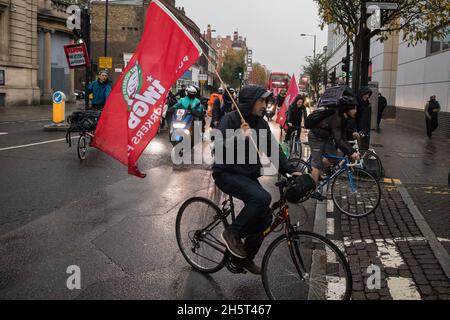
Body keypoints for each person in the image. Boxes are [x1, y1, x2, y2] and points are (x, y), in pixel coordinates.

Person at [212, 85, 303, 274]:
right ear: (249, 102)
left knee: (264, 219)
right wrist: (239, 136)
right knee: (261, 198)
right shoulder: (229, 119)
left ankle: (244, 259)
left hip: (247, 174)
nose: (264, 105)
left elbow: (272, 148)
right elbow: (217, 149)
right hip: (226, 173)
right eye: (261, 101)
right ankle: (232, 233)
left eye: (265, 101)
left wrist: (290, 169)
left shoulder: (261, 124)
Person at [308, 95, 361, 199]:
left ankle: (315, 170)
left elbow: (343, 137)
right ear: (347, 108)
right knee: (317, 164)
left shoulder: (344, 117)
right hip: (316, 137)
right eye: (354, 108)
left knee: (333, 158)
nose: (356, 111)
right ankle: (313, 190)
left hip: (326, 137)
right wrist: (351, 153)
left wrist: (352, 150)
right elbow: (338, 139)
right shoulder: (337, 117)